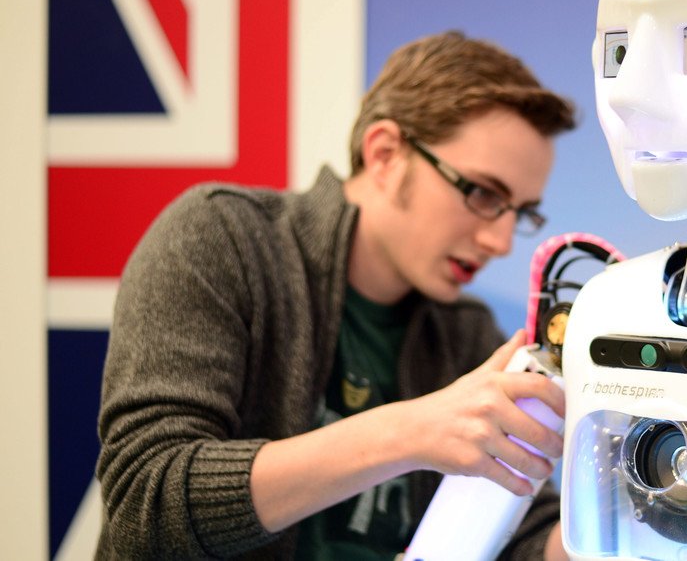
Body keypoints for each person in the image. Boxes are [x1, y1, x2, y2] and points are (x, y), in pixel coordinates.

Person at [95, 31, 576, 560]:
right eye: (482, 193)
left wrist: (616, 516)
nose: (501, 242)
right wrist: (409, 432)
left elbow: (518, 537)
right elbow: (145, 503)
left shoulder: (463, 330)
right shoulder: (220, 238)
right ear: (385, 154)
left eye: (521, 213)